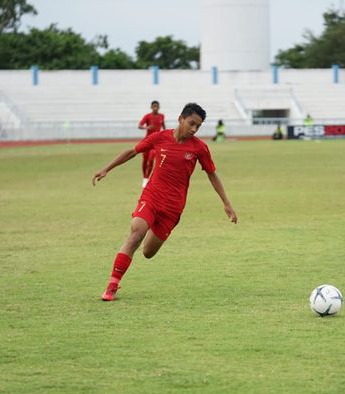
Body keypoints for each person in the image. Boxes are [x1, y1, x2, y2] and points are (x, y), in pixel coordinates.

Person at [92, 103, 238, 301]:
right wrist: (106, 169)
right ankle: (112, 286)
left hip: (173, 208)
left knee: (148, 252)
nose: (194, 129)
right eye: (191, 123)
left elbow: (212, 174)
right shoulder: (160, 138)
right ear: (180, 119)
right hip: (151, 197)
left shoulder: (199, 148)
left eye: (198, 126)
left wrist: (226, 203)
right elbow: (132, 152)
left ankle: (149, 226)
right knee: (136, 234)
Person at [137, 100, 166, 187]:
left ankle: (146, 178)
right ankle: (144, 177)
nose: (155, 108)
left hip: (156, 143)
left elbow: (163, 126)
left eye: (157, 106)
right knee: (145, 160)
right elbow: (139, 125)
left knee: (151, 159)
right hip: (147, 141)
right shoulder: (147, 116)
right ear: (151, 107)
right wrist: (147, 127)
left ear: (159, 107)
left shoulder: (162, 116)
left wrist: (165, 133)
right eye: (154, 106)